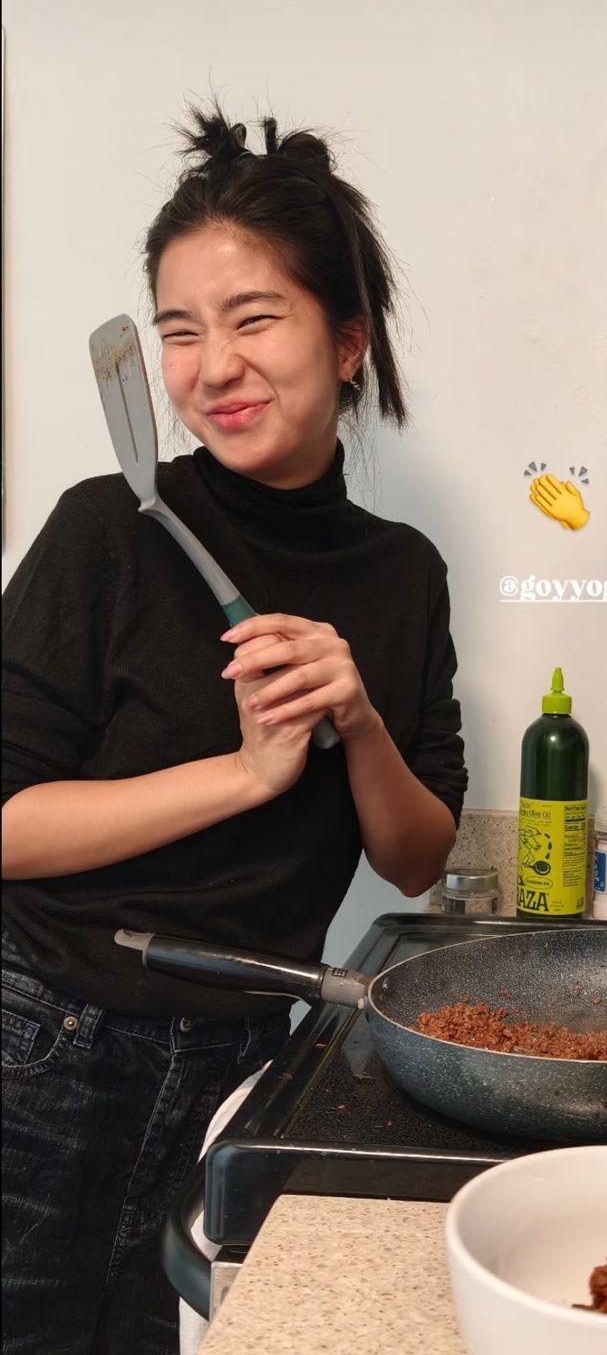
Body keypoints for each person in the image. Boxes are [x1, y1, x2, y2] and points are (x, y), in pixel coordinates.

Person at [1, 103, 468, 1354]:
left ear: (349, 341)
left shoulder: (402, 575)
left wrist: (358, 718)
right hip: (43, 1047)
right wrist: (249, 773)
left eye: (254, 319)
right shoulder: (108, 528)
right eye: (179, 331)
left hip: (250, 1064)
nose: (212, 368)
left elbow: (417, 857)